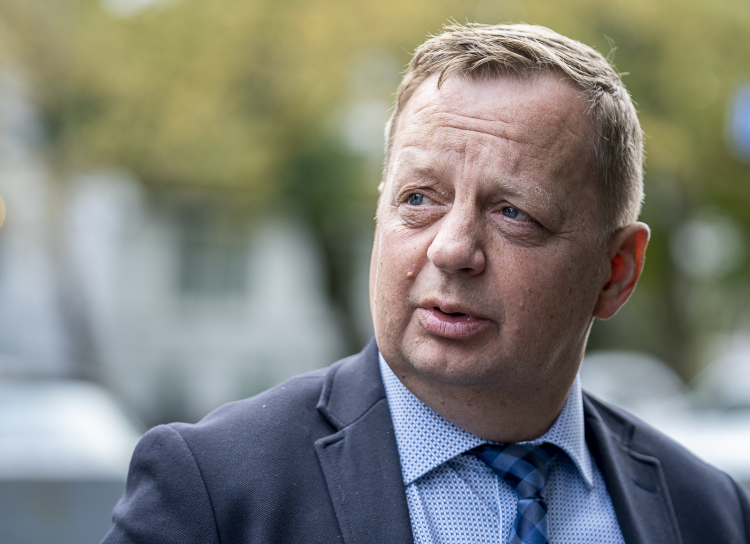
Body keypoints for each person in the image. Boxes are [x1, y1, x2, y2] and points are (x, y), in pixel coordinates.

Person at [102, 23, 750, 544]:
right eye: (419, 198)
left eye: (513, 213)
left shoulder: (708, 512)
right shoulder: (214, 492)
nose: (451, 248)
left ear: (616, 272)